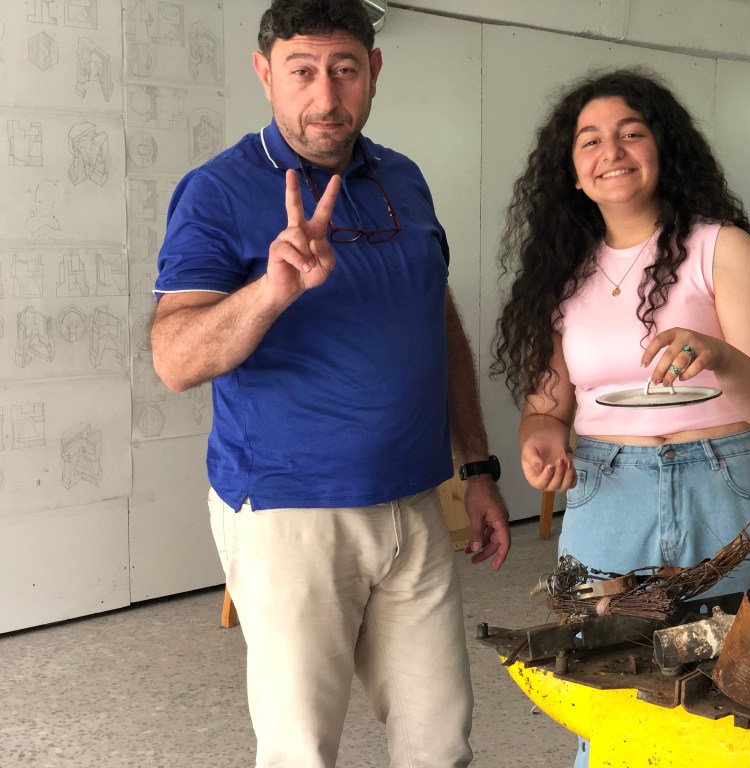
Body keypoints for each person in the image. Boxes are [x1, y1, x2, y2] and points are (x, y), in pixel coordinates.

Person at [149, 1, 511, 766]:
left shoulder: (403, 179)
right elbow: (175, 358)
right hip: (291, 514)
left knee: (441, 742)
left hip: (414, 506)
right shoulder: (218, 190)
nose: (325, 96)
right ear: (264, 73)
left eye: (345, 69)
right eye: (302, 71)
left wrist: (477, 466)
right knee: (302, 751)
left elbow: (437, 321)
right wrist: (271, 291)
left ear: (373, 71)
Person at [492, 68, 750, 765]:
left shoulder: (721, 248)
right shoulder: (558, 273)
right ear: (571, 171)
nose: (612, 151)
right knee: (607, 682)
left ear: (663, 148)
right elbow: (546, 407)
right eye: (590, 140)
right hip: (607, 487)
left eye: (631, 133)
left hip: (725, 481)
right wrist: (540, 439)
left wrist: (721, 358)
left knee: (738, 683)